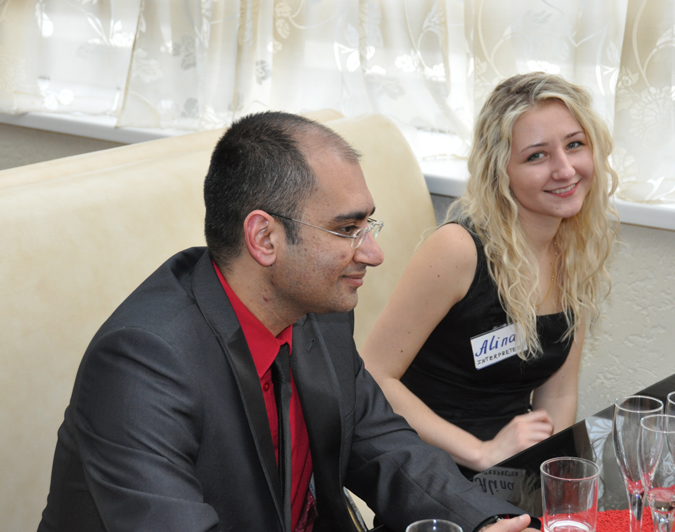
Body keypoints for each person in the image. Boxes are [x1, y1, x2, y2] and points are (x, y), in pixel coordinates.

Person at [37, 111, 538, 532]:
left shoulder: (316, 313)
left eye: (367, 224)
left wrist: (484, 522)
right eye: (347, 228)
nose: (374, 253)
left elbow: (386, 448)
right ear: (264, 238)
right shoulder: (142, 363)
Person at [361, 73, 618, 472]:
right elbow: (373, 374)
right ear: (501, 170)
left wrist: (547, 477)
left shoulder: (575, 250)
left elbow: (558, 395)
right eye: (537, 156)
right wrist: (481, 453)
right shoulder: (457, 249)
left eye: (574, 145)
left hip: (509, 464)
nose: (566, 169)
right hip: (426, 460)